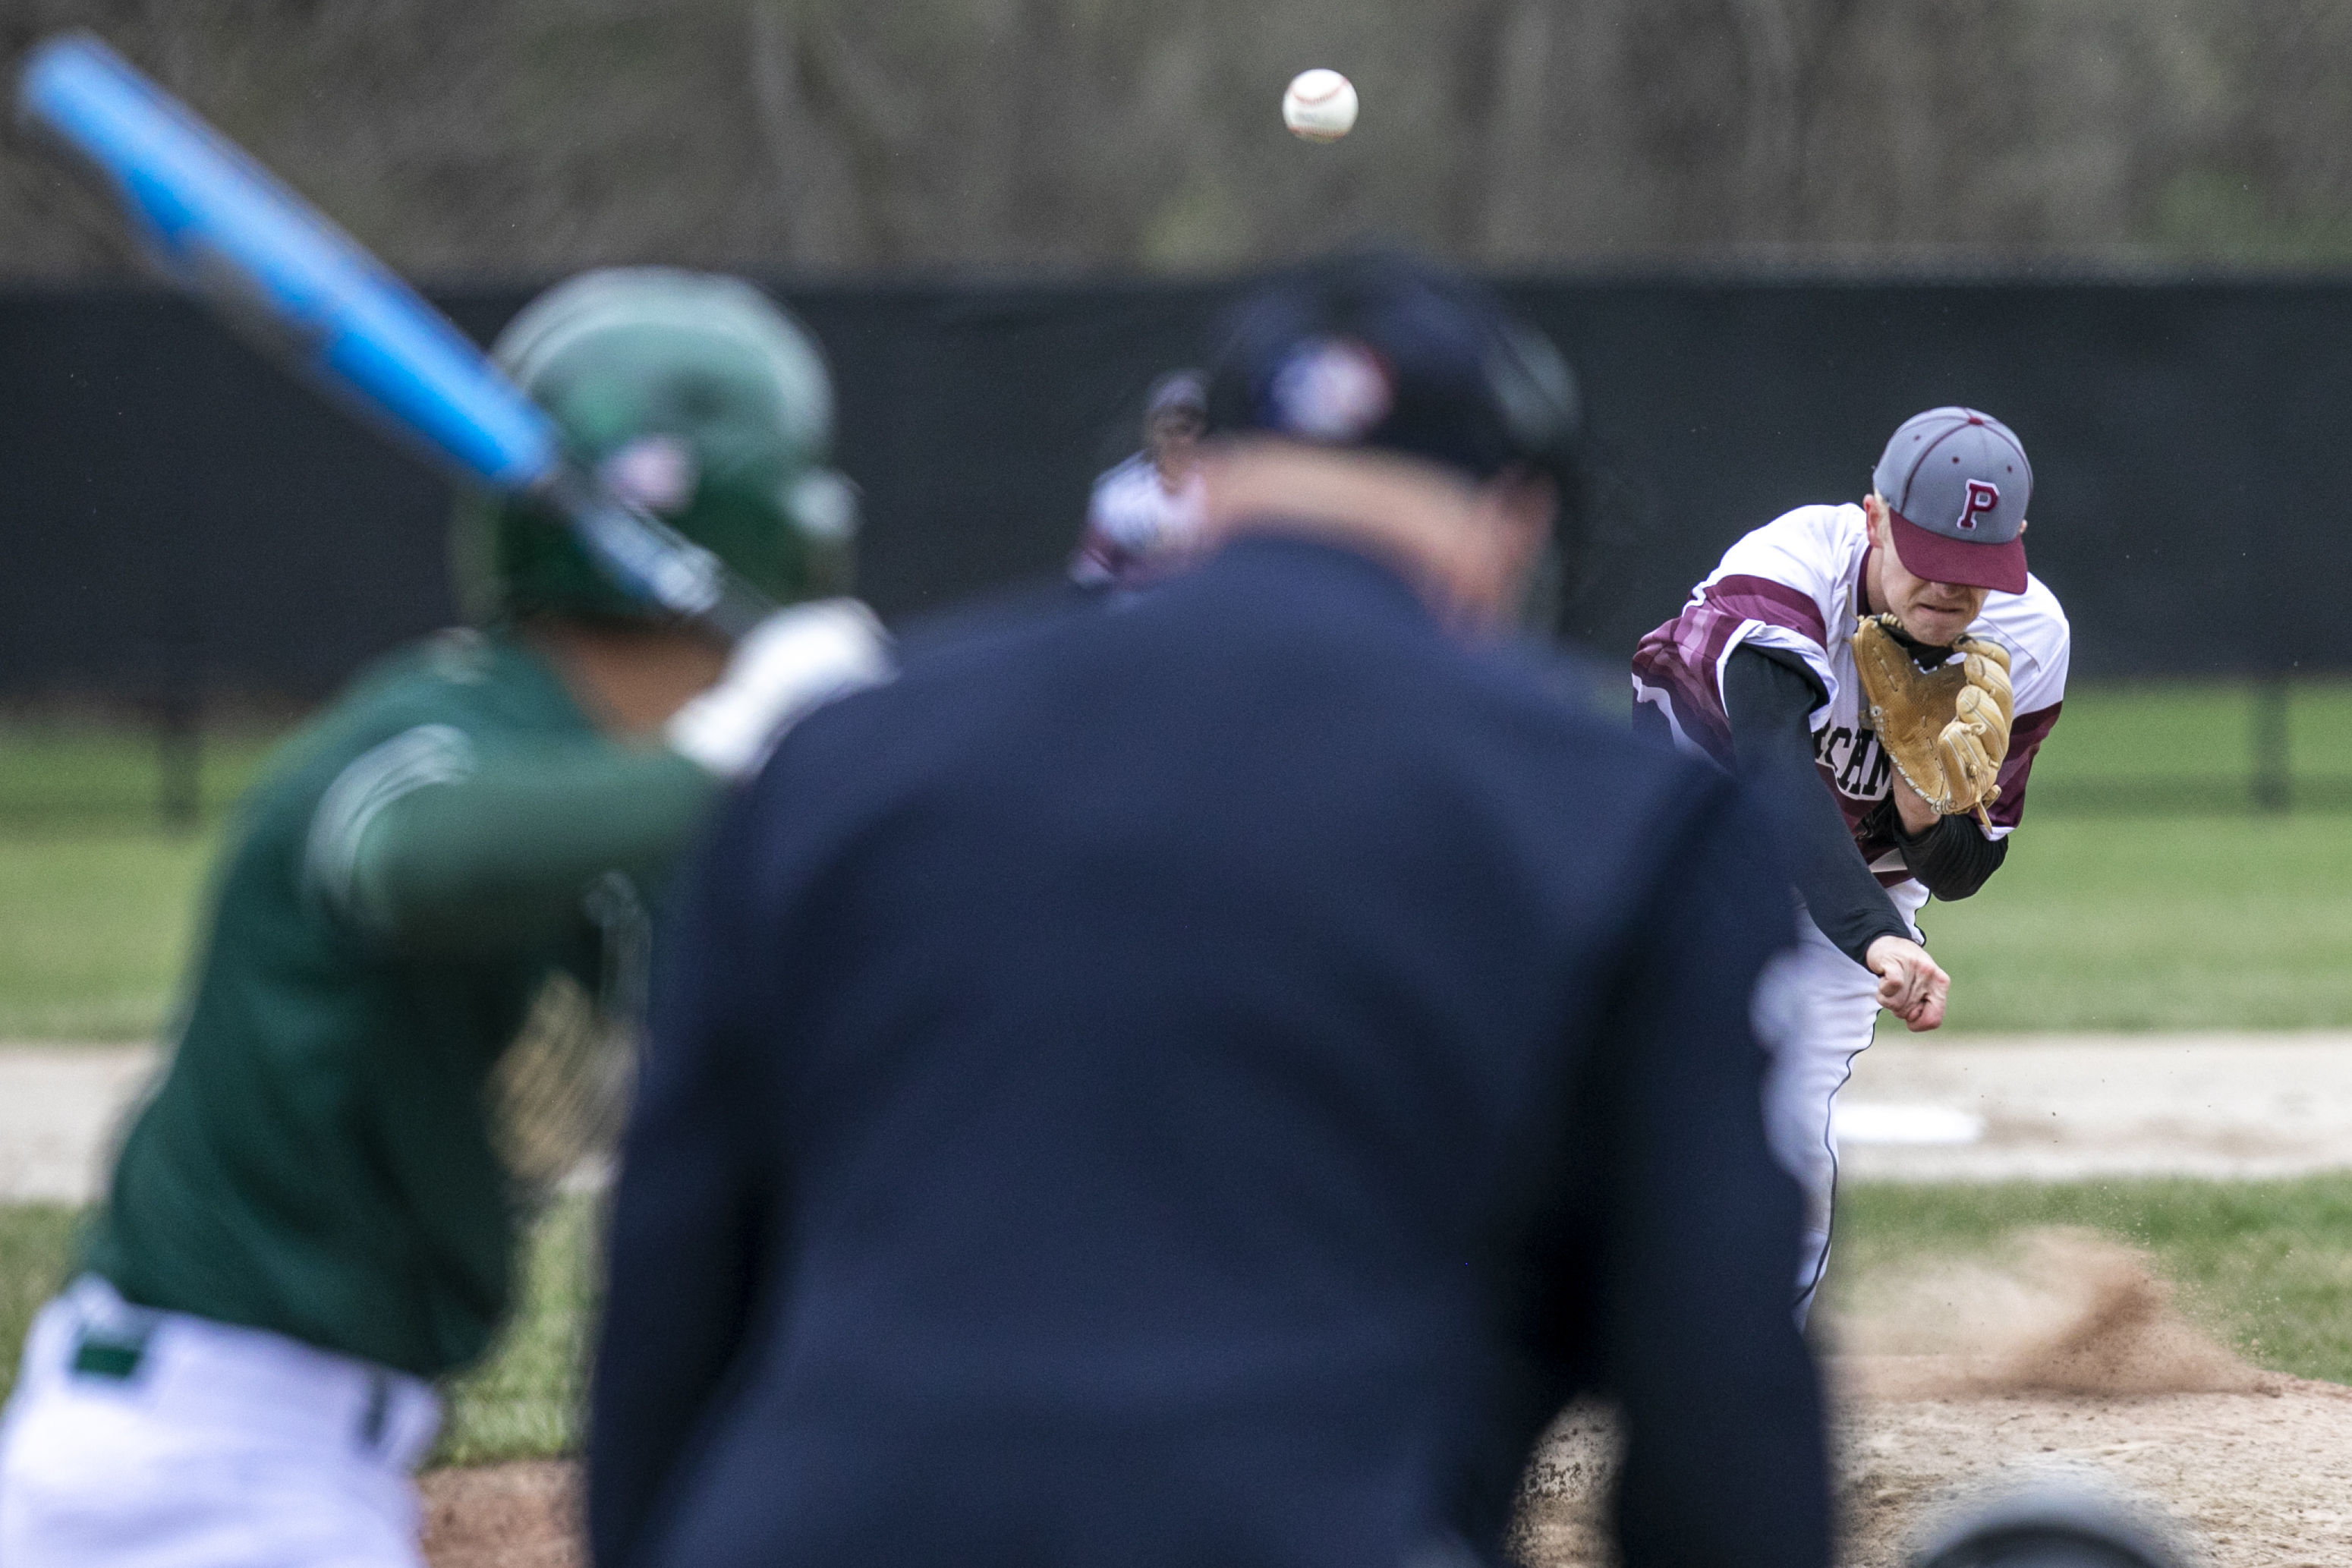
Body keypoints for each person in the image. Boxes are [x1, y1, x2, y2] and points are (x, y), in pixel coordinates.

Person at [590, 255, 1831, 1568]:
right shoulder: (1632, 818)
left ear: (1196, 484)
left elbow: (671, 1290)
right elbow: (1717, 1393)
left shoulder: (837, 757)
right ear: (1512, 521)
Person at [0, 268, 889, 1568]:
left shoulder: (629, 800)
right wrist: (729, 751)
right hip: (200, 1471)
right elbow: (405, 860)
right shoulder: (441, 732)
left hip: (296, 1461)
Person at [1630, 407, 2070, 1315]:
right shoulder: (1787, 573)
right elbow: (1774, 781)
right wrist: (1877, 939)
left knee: (1785, 1120)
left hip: (1858, 885)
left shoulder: (2029, 640)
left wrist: (1919, 807)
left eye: (1977, 567)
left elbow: (1959, 869)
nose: (1951, 588)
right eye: (1928, 553)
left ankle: (1748, 1367)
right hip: (1684, 844)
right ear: (1874, 518)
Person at [1069, 367, 1209, 588]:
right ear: (1150, 426)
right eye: (1167, 421)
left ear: (1201, 427)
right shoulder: (1116, 492)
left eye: (1186, 423)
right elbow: (1091, 572)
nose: (1176, 432)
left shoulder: (1225, 487)